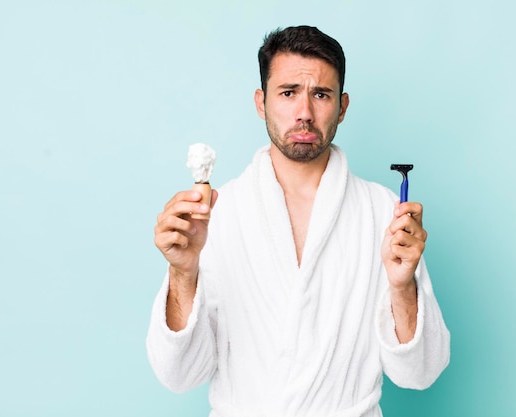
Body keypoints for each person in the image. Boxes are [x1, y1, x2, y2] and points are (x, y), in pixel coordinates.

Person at [147, 25, 450, 417]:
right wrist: (183, 273)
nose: (304, 113)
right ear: (261, 102)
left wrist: (402, 286)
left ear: (342, 106)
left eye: (320, 94)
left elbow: (420, 373)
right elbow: (178, 375)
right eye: (288, 93)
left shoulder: (383, 213)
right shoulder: (216, 215)